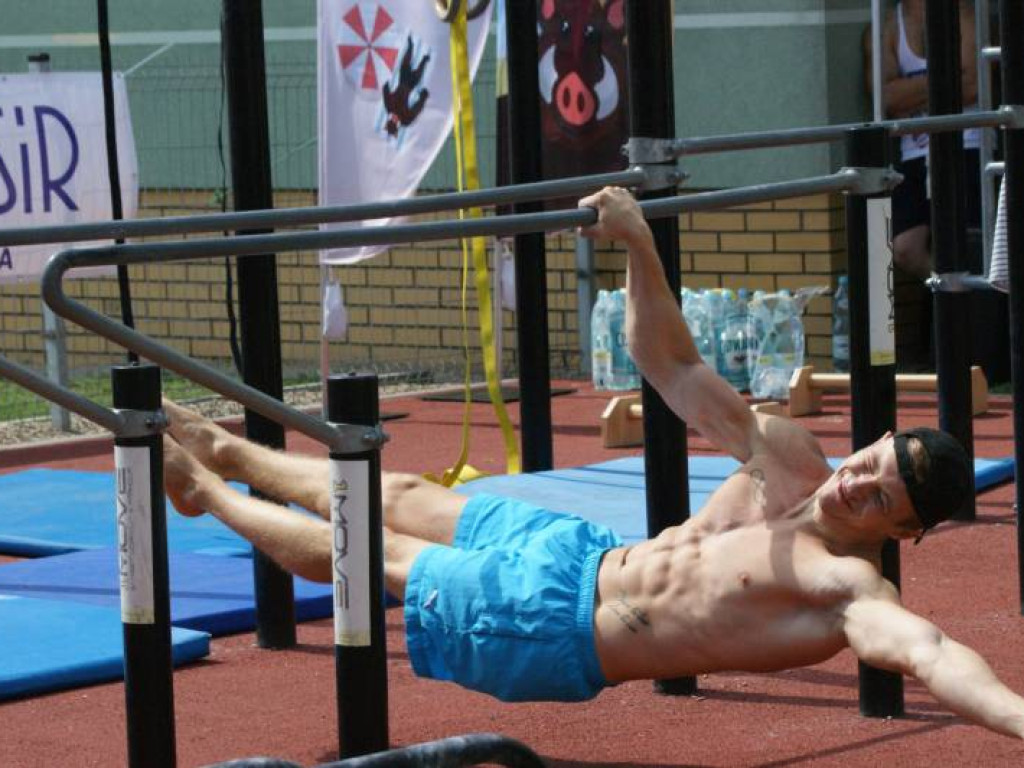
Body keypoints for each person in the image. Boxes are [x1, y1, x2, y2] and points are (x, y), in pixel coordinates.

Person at [163, 187, 1024, 740]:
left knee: (378, 557)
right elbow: (673, 366)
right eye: (877, 458)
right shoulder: (790, 456)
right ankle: (228, 449)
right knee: (400, 492)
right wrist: (639, 244)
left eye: (883, 497)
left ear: (903, 531)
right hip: (577, 551)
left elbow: (934, 654)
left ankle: (204, 492)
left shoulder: (843, 592)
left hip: (556, 630)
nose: (862, 479)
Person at [863, 0, 981, 279]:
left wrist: (910, 92)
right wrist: (947, 81)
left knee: (968, 242)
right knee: (904, 247)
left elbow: (973, 86)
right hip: (914, 153)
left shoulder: (961, 12)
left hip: (967, 144)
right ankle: (951, 296)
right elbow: (886, 99)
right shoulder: (887, 26)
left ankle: (968, 304)